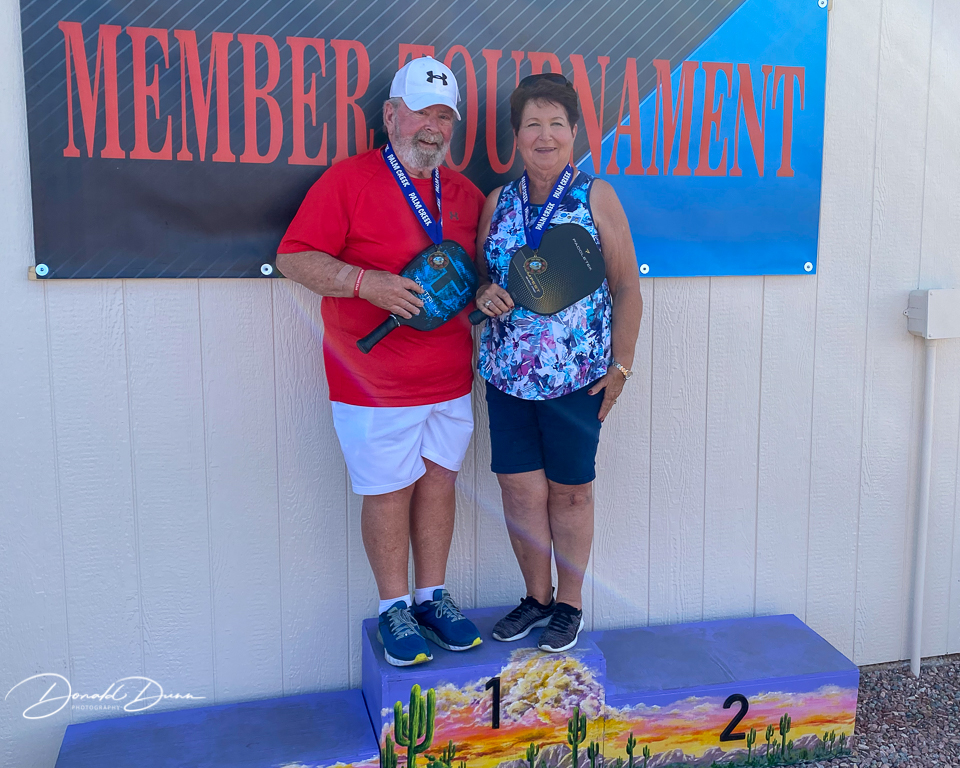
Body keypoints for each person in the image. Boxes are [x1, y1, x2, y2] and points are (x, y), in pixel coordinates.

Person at [276, 57, 485, 667]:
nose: (433, 127)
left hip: (450, 377)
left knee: (440, 484)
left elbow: (476, 274)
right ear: (391, 115)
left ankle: (432, 597)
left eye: (445, 116)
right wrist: (366, 283)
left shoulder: (466, 194)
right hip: (371, 383)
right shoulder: (349, 181)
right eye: (421, 112)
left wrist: (489, 293)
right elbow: (294, 257)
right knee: (388, 493)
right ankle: (394, 606)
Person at [474, 73, 643, 652]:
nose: (544, 135)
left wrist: (621, 367)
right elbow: (483, 276)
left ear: (573, 132)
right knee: (519, 492)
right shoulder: (498, 203)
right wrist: (483, 292)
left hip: (577, 381)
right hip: (508, 379)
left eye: (555, 124)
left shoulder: (596, 196)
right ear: (516, 136)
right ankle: (536, 598)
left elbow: (627, 286)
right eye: (532, 124)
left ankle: (569, 605)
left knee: (571, 493)